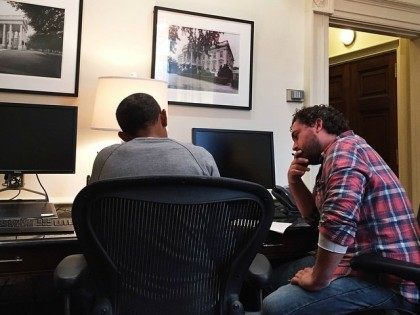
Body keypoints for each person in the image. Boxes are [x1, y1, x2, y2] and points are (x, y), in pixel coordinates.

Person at [263, 105, 420, 314]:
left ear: (318, 125)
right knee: (278, 274)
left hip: (389, 280)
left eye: (296, 136)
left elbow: (337, 223)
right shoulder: (339, 152)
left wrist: (317, 279)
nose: (294, 146)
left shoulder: (344, 152)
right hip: (363, 264)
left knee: (275, 306)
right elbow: (315, 218)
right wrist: (294, 182)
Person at [90, 92, 219, 182]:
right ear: (163, 117)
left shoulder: (104, 157)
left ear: (123, 136)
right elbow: (220, 210)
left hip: (125, 222)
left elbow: (93, 208)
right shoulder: (200, 157)